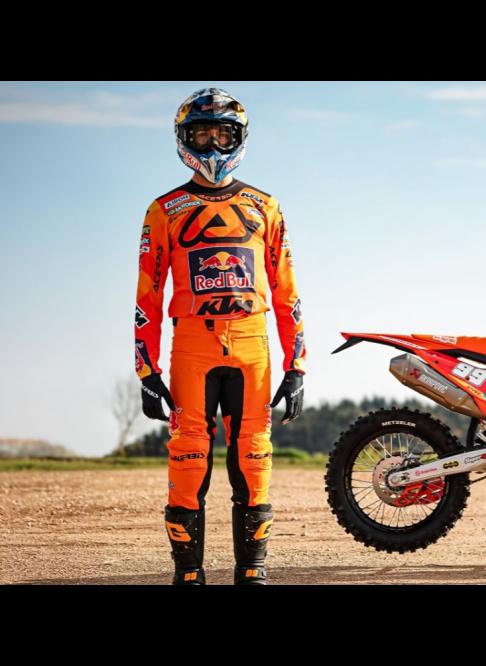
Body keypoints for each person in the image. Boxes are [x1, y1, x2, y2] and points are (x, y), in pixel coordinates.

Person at [134, 87, 306, 585]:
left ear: (239, 138)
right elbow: (147, 294)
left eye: (222, 135)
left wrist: (297, 365)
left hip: (253, 345)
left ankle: (253, 570)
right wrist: (145, 368)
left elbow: (287, 291)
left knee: (254, 456)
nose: (212, 145)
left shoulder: (266, 206)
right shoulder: (164, 209)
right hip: (191, 346)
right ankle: (188, 573)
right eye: (202, 135)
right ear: (183, 139)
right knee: (188, 456)